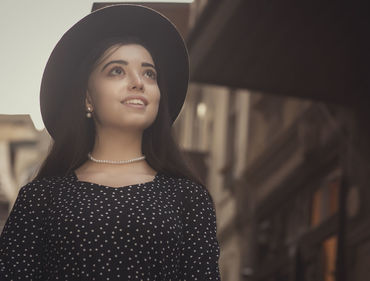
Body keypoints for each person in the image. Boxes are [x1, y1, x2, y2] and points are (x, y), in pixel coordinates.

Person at [0, 4, 221, 280]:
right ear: (88, 97)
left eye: (149, 73)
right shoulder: (39, 200)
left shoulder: (190, 199)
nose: (138, 82)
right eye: (117, 71)